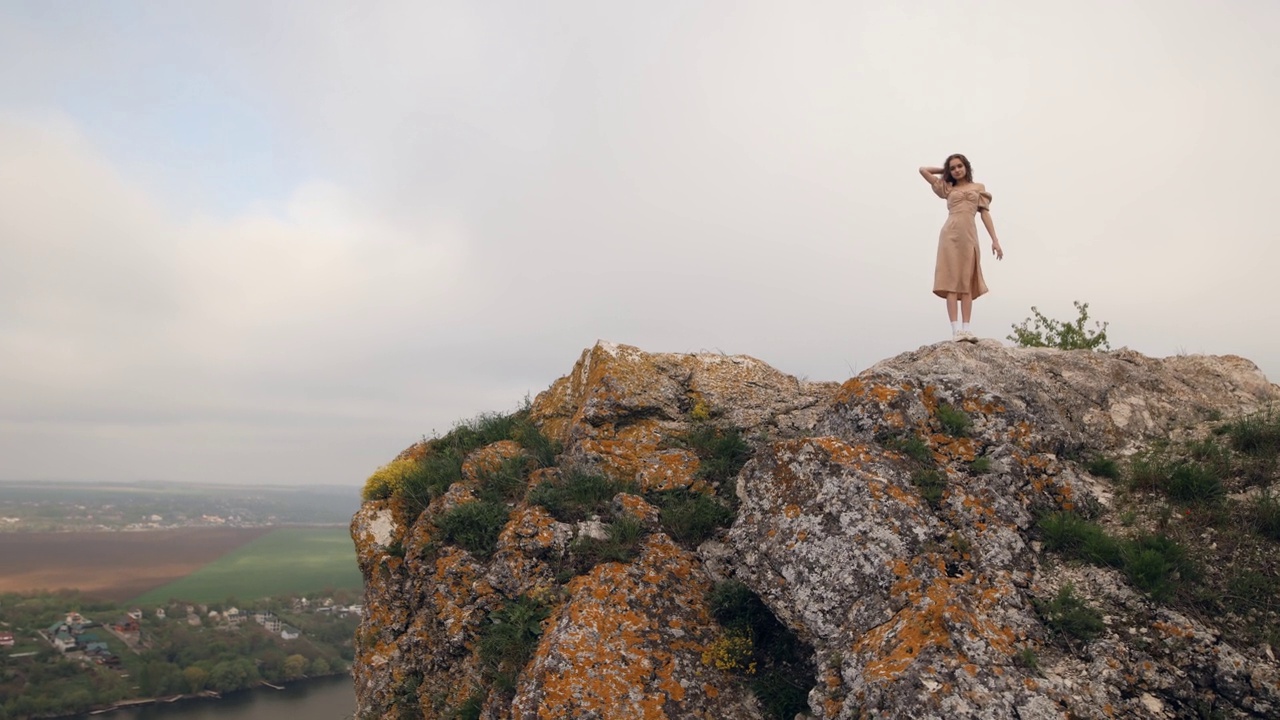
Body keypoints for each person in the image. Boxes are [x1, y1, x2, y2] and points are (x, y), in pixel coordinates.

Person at [918, 154, 1003, 342]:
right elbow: (923, 170)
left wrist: (995, 240)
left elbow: (985, 215)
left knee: (966, 282)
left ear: (966, 167)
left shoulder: (978, 188)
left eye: (959, 166)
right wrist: (944, 171)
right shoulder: (947, 187)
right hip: (950, 235)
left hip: (969, 236)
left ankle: (966, 328)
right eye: (953, 167)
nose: (957, 170)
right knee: (951, 281)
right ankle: (955, 330)